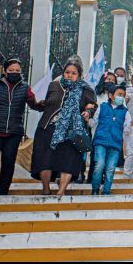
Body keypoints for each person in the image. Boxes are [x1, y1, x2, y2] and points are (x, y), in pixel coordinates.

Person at [30, 57, 97, 196]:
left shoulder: (86, 89)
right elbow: (48, 102)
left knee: (68, 160)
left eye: (73, 73)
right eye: (67, 72)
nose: (69, 75)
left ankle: (61, 192)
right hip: (48, 127)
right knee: (45, 159)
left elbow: (91, 105)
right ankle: (46, 188)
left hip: (72, 130)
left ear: (79, 75)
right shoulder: (54, 85)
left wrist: (87, 112)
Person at [0, 59, 39, 196]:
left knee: (9, 161)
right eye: (11, 70)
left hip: (14, 131)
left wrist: (43, 103)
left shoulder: (25, 87)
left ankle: (3, 191)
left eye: (17, 71)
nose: (14, 73)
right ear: (5, 71)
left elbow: (33, 103)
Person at [89, 83, 131, 195]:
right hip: (100, 141)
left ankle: (106, 190)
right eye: (119, 94)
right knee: (99, 164)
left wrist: (131, 125)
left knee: (111, 168)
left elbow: (126, 131)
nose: (121, 97)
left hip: (115, 144)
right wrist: (87, 118)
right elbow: (93, 123)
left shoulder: (125, 112)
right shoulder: (102, 107)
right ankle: (95, 188)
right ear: (111, 95)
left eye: (123, 95)